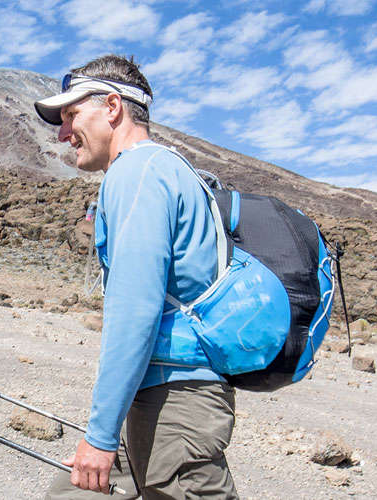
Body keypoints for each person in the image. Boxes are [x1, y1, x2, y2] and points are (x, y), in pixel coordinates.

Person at [35, 55, 239, 499]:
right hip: (161, 395)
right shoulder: (165, 169)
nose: (63, 132)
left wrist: (102, 436)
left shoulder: (137, 173)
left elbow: (135, 313)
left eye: (71, 115)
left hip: (177, 404)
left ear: (112, 107)